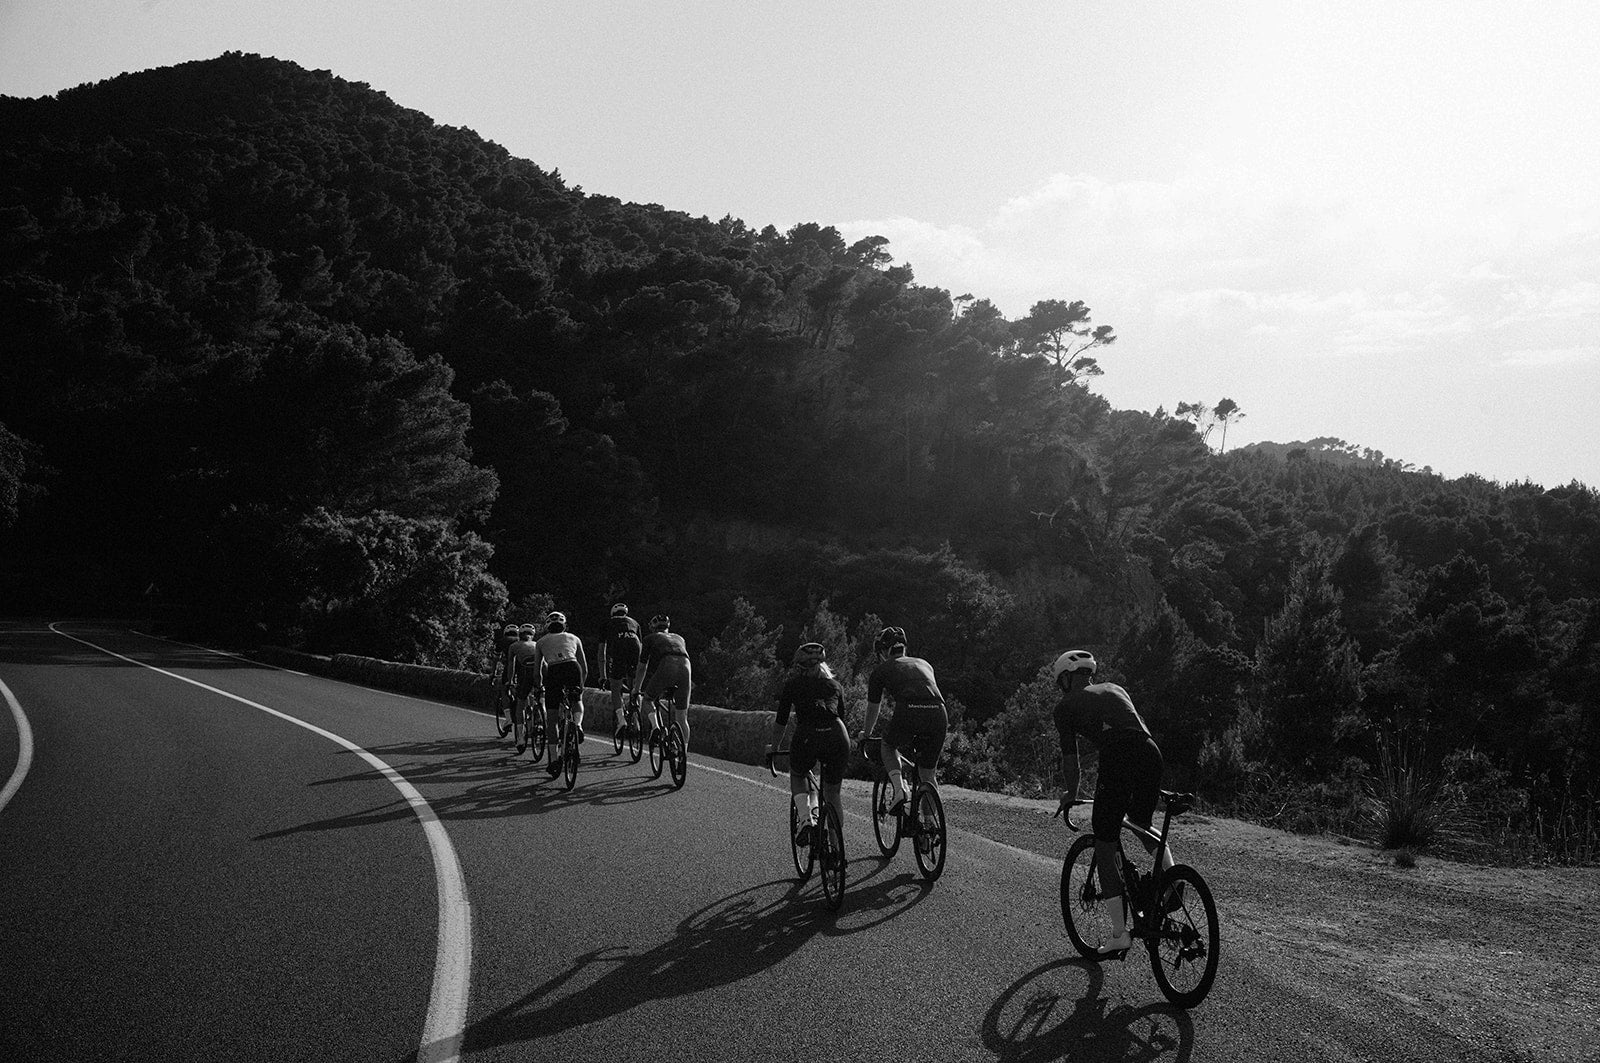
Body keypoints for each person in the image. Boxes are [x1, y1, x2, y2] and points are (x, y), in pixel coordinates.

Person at [1050, 648, 1172, 958]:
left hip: (1119, 756)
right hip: (1150, 752)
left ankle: (1120, 935)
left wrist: (1071, 792)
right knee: (1142, 824)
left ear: (1065, 679)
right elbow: (1133, 728)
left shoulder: (1065, 707)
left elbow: (1071, 759)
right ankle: (1173, 882)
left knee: (1105, 845)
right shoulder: (1116, 688)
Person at [765, 642, 850, 847]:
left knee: (798, 773)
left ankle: (805, 820)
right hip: (838, 734)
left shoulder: (793, 684)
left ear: (799, 667)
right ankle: (837, 850)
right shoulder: (835, 686)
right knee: (833, 795)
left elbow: (781, 721)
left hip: (808, 735)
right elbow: (842, 716)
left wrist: (774, 747)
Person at [859, 626, 948, 813]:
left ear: (883, 651)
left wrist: (866, 734)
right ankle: (931, 828)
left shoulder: (881, 670)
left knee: (888, 745)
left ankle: (899, 789)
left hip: (909, 710)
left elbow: (874, 708)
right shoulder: (925, 664)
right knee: (927, 774)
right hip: (939, 713)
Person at [536, 611, 589, 777]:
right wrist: (580, 686)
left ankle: (553, 760)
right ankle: (578, 725)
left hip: (554, 670)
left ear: (547, 626)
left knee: (552, 719)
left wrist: (538, 687)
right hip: (573, 667)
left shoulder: (541, 641)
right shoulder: (574, 638)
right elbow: (585, 668)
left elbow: (538, 672)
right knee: (577, 701)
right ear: (564, 625)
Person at [631, 613, 692, 757]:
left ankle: (656, 727)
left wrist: (636, 689)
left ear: (653, 627)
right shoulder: (679, 638)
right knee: (682, 717)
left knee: (648, 699)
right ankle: (683, 755)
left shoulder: (649, 638)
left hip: (667, 665)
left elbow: (642, 667)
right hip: (686, 667)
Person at [598, 602, 642, 737]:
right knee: (635, 687)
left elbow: (602, 652)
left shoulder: (607, 623)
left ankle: (621, 720)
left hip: (618, 651)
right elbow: (641, 646)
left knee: (615, 688)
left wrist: (602, 676)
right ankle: (636, 720)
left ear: (613, 614)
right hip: (635, 650)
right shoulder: (635, 623)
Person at [507, 623, 542, 754]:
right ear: (532, 635)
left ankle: (520, 738)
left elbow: (512, 665)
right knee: (541, 695)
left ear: (520, 635)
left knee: (520, 705)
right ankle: (541, 715)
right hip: (541, 672)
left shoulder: (514, 646)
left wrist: (510, 682)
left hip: (526, 674)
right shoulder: (537, 644)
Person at [490, 622, 520, 736]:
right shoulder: (522, 640)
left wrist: (493, 673)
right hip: (525, 667)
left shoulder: (502, 641)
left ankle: (508, 720)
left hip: (510, 667)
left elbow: (495, 659)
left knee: (504, 689)